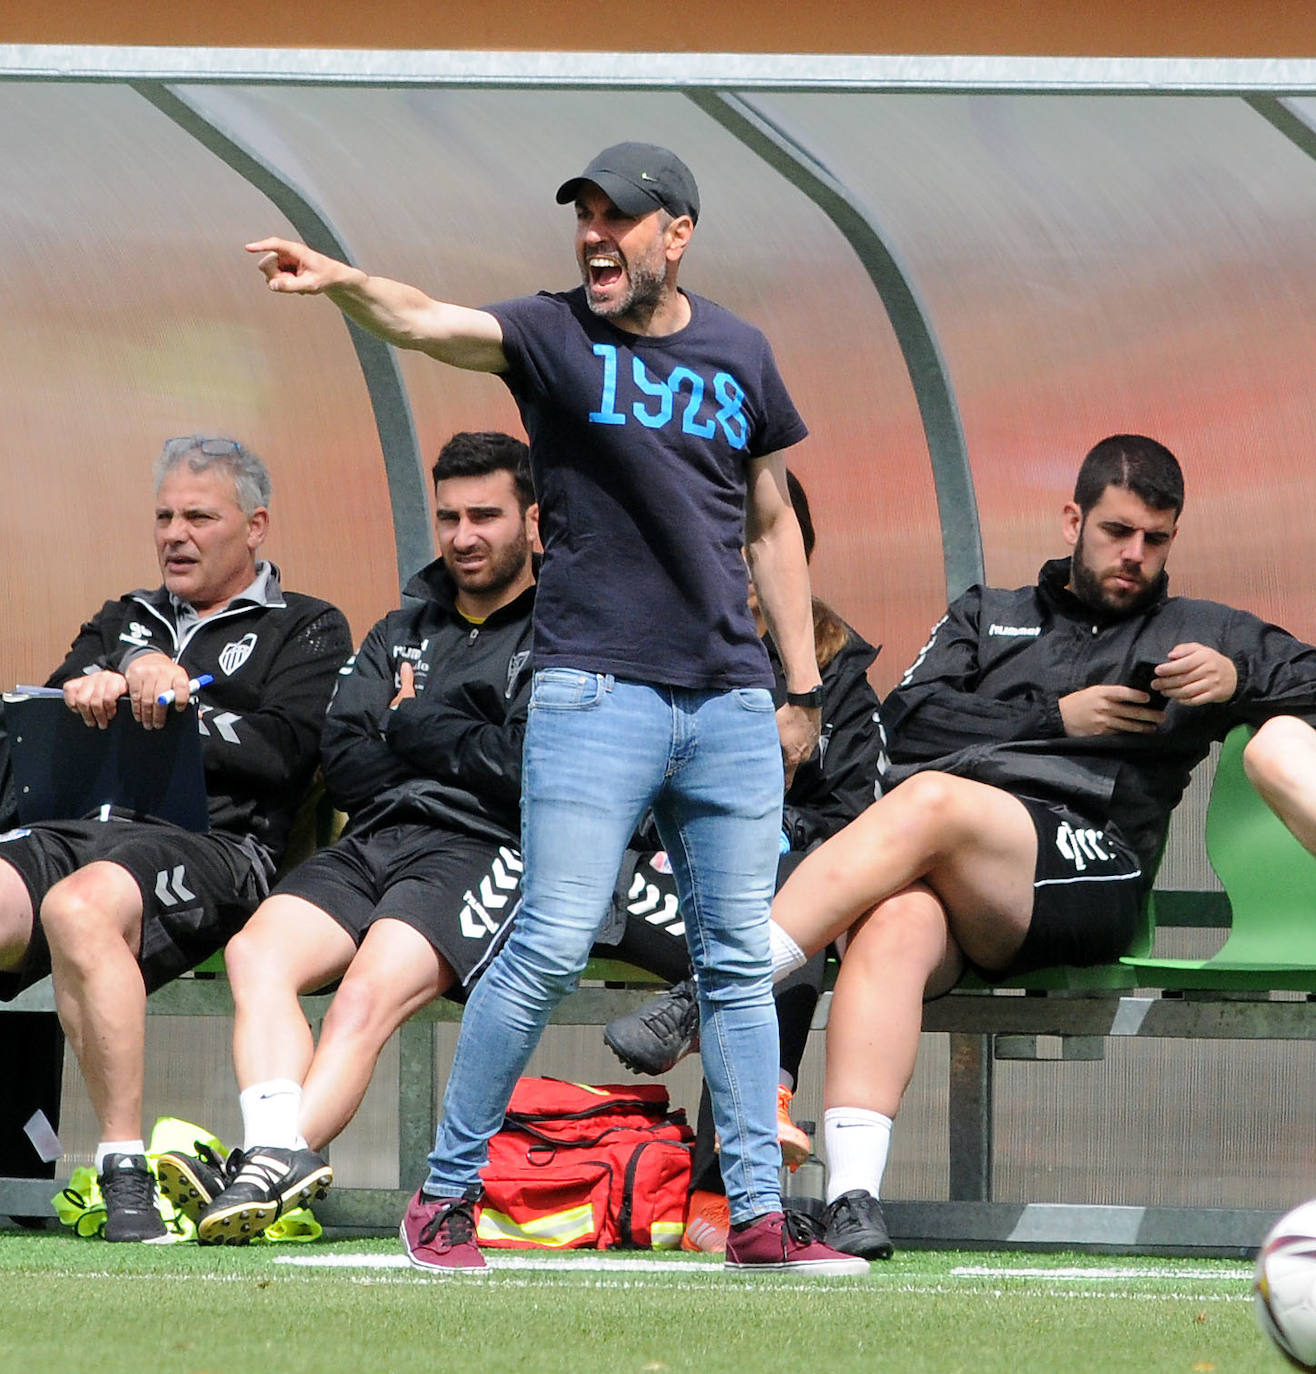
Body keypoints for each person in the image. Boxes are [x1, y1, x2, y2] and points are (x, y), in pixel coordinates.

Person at [247, 141, 866, 1275]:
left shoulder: (739, 353)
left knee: (735, 963)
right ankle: (443, 1201)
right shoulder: (552, 335)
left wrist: (799, 688)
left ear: (675, 235)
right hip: (593, 693)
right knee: (540, 943)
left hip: (729, 700)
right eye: (583, 216)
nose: (595, 234)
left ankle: (762, 1220)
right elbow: (430, 322)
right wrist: (342, 280)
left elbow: (769, 521)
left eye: (619, 218)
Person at [763, 434, 1316, 1262]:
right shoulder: (987, 614)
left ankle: (730, 975)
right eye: (1117, 532)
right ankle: (852, 1197)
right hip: (970, 884)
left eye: (1156, 540)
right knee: (895, 921)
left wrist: (1241, 683)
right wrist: (1058, 716)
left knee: (935, 802)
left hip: (1097, 874)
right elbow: (905, 722)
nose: (1134, 555)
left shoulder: (1202, 631)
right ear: (1073, 519)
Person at [155, 431, 538, 1244]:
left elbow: (526, 770)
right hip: (374, 837)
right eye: (448, 517)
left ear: (532, 521)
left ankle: (267, 1161)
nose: (463, 536)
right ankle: (272, 1161)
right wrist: (436, 739)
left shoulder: (564, 633)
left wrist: (414, 722)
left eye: (485, 516)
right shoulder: (399, 628)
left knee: (365, 993)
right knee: (255, 955)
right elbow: (347, 758)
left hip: (484, 848)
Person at [0, 436, 351, 1242]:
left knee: (82, 907)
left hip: (218, 847)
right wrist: (90, 690)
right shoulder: (122, 617)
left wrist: (179, 701)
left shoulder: (307, 625)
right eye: (163, 516)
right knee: (49, 893)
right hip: (72, 828)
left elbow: (287, 752)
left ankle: (123, 1168)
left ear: (255, 526)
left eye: (199, 515)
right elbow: (40, 731)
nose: (174, 534)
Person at [596, 469, 885, 1251]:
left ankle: (728, 1176)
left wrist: (767, 813)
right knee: (782, 915)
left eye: (752, 553)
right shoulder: (639, 654)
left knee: (799, 891)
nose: (738, 575)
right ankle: (752, 1133)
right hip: (653, 895)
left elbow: (855, 821)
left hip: (772, 902)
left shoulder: (835, 675)